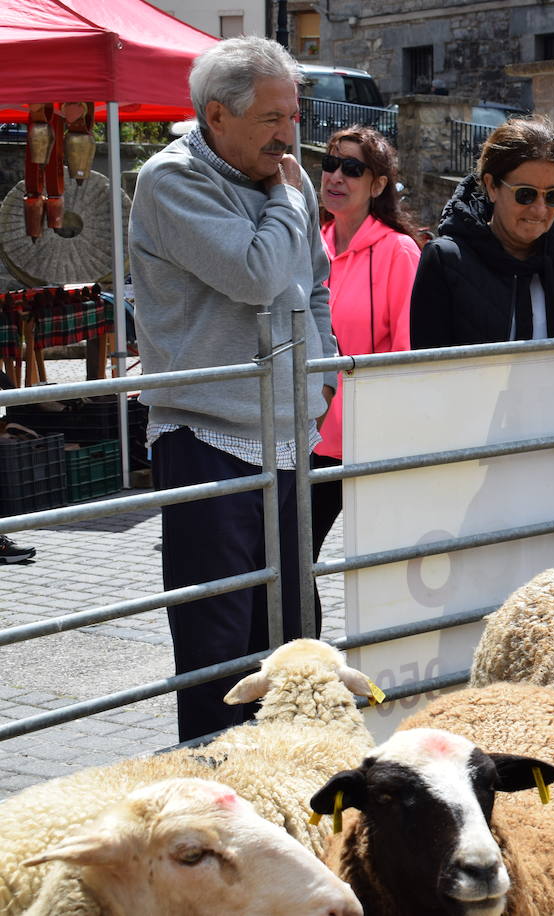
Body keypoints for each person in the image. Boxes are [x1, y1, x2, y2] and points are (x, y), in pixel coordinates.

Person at [129, 36, 337, 742]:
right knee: (217, 652)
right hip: (205, 439)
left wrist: (322, 370)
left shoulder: (288, 179)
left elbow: (313, 282)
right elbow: (259, 273)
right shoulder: (171, 180)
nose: (290, 137)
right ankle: (215, 804)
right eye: (273, 119)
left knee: (292, 636)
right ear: (217, 115)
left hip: (286, 436)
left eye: (295, 116)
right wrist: (285, 196)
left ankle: (290, 787)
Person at [312, 125, 421, 576]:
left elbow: (406, 352)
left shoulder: (399, 251)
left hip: (366, 442)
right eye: (329, 164)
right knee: (289, 559)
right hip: (305, 439)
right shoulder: (309, 243)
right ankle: (302, 647)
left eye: (352, 169)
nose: (335, 176)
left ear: (378, 185)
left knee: (375, 570)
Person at [410, 117, 554, 348]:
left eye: (553, 196)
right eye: (525, 194)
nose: (539, 209)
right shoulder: (446, 260)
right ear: (492, 186)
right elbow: (429, 368)